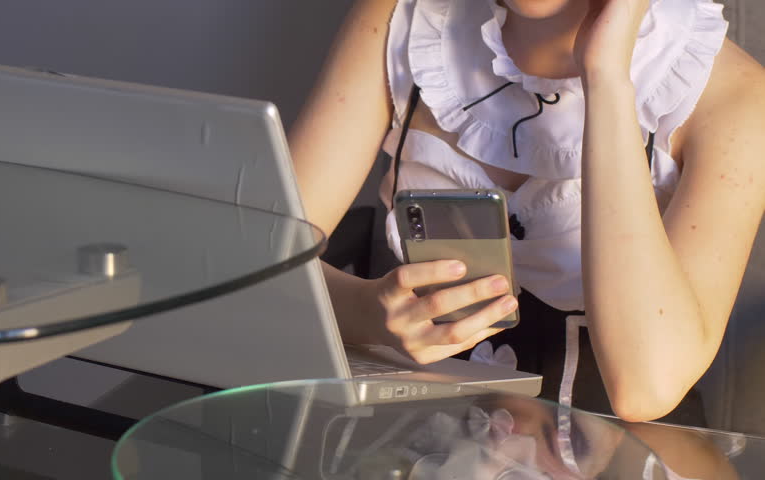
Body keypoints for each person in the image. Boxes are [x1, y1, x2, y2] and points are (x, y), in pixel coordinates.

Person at [288, 0, 765, 423]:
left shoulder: (733, 95)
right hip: (410, 449)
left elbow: (645, 388)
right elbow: (251, 268)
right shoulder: (398, 17)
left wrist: (606, 76)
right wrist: (370, 314)